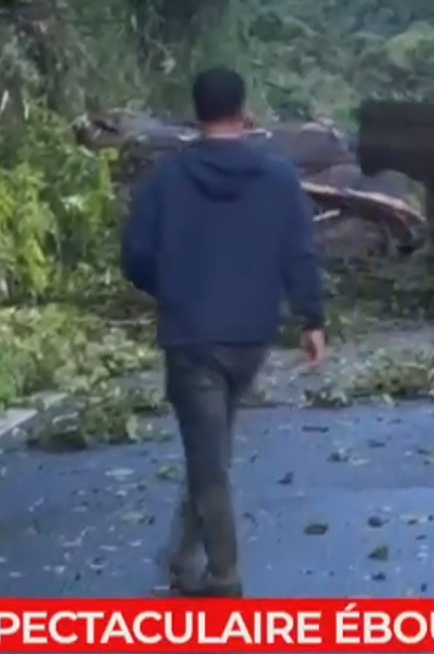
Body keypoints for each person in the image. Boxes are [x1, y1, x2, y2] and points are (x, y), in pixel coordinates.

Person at [120, 67, 326, 597]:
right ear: (244, 110)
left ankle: (225, 574)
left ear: (196, 112)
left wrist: (172, 288)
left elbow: (136, 257)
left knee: (208, 459)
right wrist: (311, 319)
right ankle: (181, 559)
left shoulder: (166, 181)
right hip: (250, 336)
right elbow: (298, 252)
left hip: (192, 335)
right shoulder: (278, 179)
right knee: (210, 450)